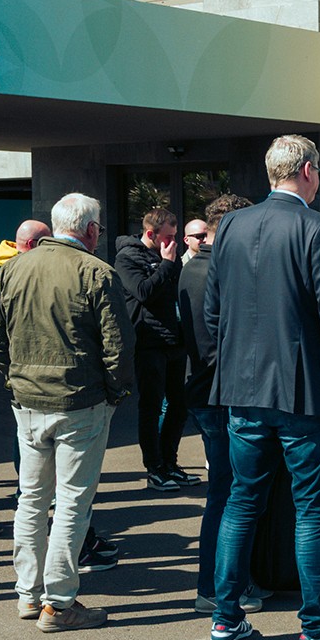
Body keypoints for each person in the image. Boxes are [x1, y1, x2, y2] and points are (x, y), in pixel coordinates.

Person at [202, 134, 320, 640]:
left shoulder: (230, 224)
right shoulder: (316, 227)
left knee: (241, 504)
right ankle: (317, 631)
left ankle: (226, 620)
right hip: (304, 393)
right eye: (318, 171)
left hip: (242, 391)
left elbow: (214, 311)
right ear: (306, 171)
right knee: (312, 511)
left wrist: (229, 366)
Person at [0, 192, 133, 633]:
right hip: (79, 402)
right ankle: (58, 600)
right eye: (99, 229)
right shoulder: (96, 271)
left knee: (31, 499)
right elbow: (119, 348)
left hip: (30, 402)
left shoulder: (12, 270)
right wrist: (114, 394)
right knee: (72, 502)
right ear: (90, 230)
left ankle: (30, 594)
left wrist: (16, 382)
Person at [177, 193, 269, 616]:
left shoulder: (191, 268)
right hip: (220, 394)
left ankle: (229, 581)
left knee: (229, 491)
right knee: (228, 494)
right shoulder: (218, 269)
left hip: (201, 391)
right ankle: (216, 585)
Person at [115, 207, 196, 492]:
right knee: (151, 407)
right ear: (150, 234)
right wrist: (165, 264)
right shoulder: (127, 257)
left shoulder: (169, 257)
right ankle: (155, 467)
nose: (173, 242)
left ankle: (170, 463)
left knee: (179, 404)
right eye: (168, 237)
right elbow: (144, 292)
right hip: (149, 342)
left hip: (175, 339)